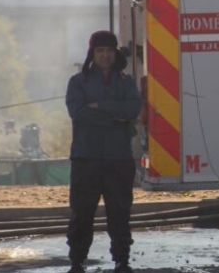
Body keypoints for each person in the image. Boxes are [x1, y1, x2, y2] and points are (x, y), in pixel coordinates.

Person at [65, 30, 142, 273]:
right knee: (81, 215)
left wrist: (100, 107)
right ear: (92, 53)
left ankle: (122, 260)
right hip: (86, 159)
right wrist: (114, 117)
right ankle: (77, 261)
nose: (105, 55)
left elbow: (133, 109)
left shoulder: (126, 82)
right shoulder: (77, 82)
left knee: (120, 214)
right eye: (100, 50)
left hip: (119, 159)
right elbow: (78, 113)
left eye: (109, 50)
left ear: (115, 53)